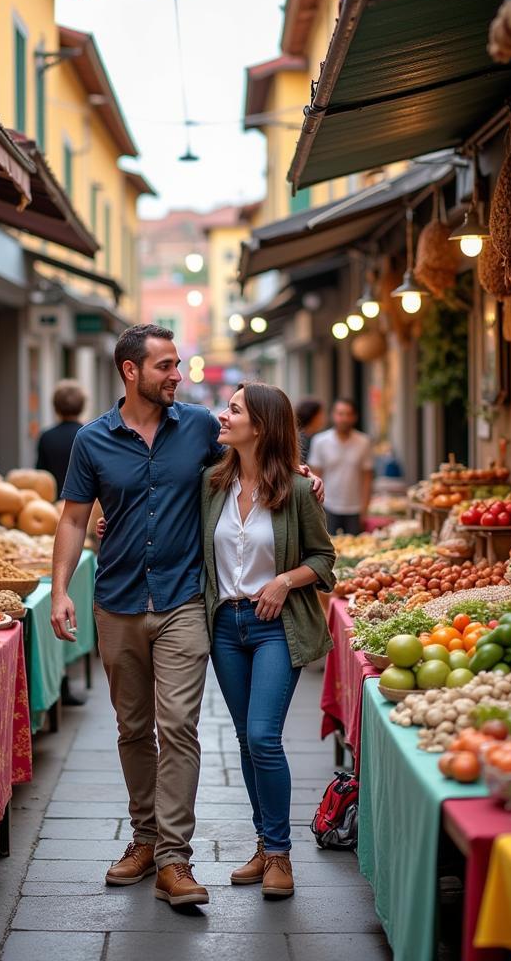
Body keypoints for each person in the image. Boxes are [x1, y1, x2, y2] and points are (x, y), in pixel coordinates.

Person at [50, 324, 322, 910]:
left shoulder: (199, 425)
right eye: (166, 366)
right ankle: (143, 839)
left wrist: (303, 475)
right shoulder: (91, 441)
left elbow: (259, 460)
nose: (178, 375)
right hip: (117, 601)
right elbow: (74, 519)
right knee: (131, 729)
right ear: (131, 371)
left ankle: (175, 858)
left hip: (184, 602)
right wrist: (59, 591)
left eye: (177, 365)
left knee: (178, 727)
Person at [201, 383, 335, 899]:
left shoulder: (298, 491)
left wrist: (283, 580)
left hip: (276, 627)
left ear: (260, 426)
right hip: (226, 628)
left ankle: (279, 854)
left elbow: (324, 560)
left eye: (233, 409)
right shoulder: (211, 484)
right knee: (244, 740)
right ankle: (263, 845)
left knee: (262, 737)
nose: (223, 414)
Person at [307, 397, 374, 536]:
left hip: (355, 509)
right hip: (327, 506)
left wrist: (365, 509)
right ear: (333, 415)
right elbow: (314, 477)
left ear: (354, 417)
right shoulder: (320, 441)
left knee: (355, 551)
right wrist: (314, 509)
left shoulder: (364, 442)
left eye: (348, 414)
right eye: (340, 413)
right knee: (328, 551)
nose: (344, 418)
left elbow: (367, 477)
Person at [35, 379, 86, 494]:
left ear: (55, 407)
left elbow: (41, 476)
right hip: (84, 504)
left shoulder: (46, 437)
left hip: (52, 504)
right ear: (82, 407)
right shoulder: (90, 435)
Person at [294, 398, 325, 464]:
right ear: (313, 416)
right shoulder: (299, 439)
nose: (324, 417)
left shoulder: (319, 436)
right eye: (321, 414)